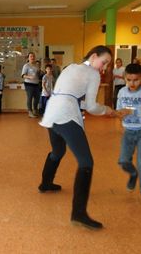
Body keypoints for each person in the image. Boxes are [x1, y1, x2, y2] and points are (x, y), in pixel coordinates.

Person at [38, 45, 114, 230]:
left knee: (58, 150)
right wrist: (108, 110)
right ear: (94, 56)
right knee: (86, 162)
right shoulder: (93, 74)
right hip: (66, 115)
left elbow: (69, 91)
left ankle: (45, 183)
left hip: (52, 113)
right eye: (104, 63)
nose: (103, 68)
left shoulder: (71, 67)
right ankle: (79, 214)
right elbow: (92, 107)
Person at [117, 63, 141, 206]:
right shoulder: (121, 92)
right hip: (128, 131)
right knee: (123, 161)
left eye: (136, 80)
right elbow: (119, 109)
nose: (132, 83)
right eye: (129, 80)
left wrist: (132, 111)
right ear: (125, 78)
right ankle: (133, 174)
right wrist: (118, 114)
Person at [21, 52, 40, 118]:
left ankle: (35, 109)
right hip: (29, 84)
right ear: (28, 58)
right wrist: (29, 77)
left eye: (33, 56)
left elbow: (38, 74)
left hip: (36, 84)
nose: (32, 57)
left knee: (37, 98)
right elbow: (23, 75)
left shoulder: (37, 65)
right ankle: (30, 112)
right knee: (30, 98)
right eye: (31, 56)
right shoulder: (26, 65)